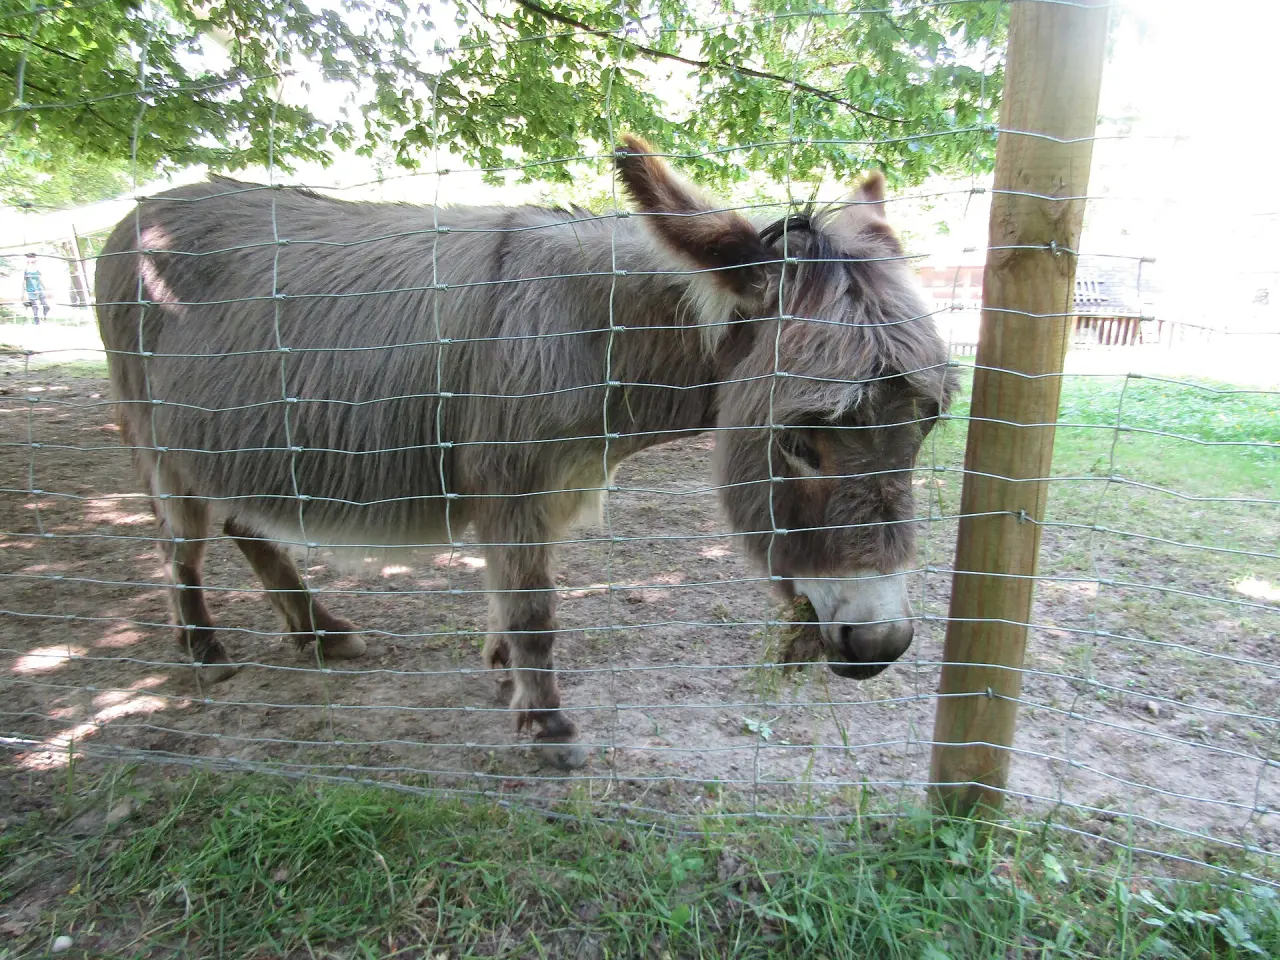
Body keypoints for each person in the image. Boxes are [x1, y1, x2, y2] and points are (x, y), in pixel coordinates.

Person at [22, 252, 50, 324]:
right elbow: (23, 281)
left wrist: (45, 288)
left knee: (46, 306)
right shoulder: (25, 269)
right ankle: (36, 320)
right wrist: (23, 292)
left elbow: (40, 279)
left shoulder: (37, 269)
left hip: (39, 289)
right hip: (31, 290)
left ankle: (44, 317)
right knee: (35, 306)